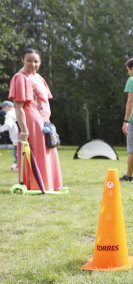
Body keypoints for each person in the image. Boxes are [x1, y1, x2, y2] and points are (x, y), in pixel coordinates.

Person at [9, 48, 63, 191]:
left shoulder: (39, 78)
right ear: (22, 60)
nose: (33, 64)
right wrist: (24, 130)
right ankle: (38, 184)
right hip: (32, 121)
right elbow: (19, 107)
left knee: (49, 150)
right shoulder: (20, 78)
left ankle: (50, 184)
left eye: (36, 61)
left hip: (45, 121)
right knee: (38, 152)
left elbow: (45, 100)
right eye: (29, 61)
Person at [0, 101, 18, 170]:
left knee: (16, 153)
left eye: (3, 109)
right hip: (20, 135)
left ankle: (19, 166)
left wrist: (0, 129)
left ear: (7, 107)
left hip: (16, 136)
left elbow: (8, 125)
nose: (3, 111)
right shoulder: (16, 112)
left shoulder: (9, 114)